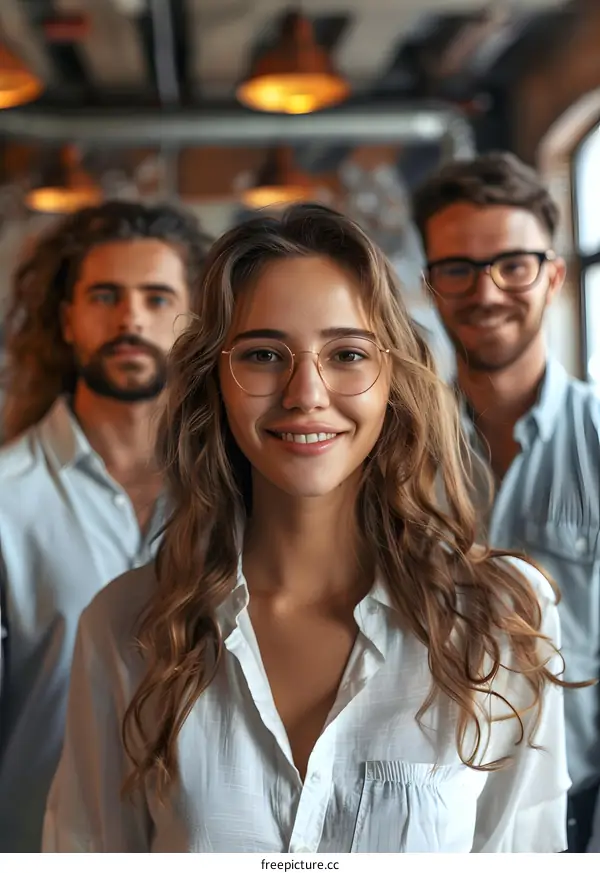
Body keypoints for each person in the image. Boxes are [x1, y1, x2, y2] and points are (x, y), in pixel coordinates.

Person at [44, 203, 572, 853]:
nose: (305, 394)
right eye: (264, 354)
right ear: (216, 381)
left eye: (346, 353)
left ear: (393, 380)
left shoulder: (500, 615)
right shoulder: (126, 625)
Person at [0, 200, 211, 851]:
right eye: (105, 296)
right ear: (67, 319)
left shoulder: (238, 498)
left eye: (156, 297)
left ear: (196, 320)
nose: (131, 319)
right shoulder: (6, 497)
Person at [412, 151, 600, 853]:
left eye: (512, 265)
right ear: (430, 284)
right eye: (458, 268)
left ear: (553, 276)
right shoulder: (391, 456)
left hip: (579, 815)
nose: (486, 291)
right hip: (422, 813)